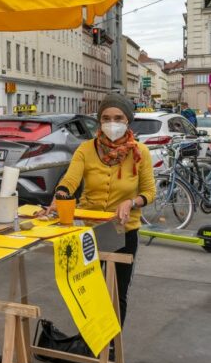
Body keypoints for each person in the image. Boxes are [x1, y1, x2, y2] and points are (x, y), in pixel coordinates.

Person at [46, 93, 155, 329]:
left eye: (118, 117)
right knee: (88, 291)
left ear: (128, 121)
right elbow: (70, 179)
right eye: (106, 118)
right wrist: (60, 196)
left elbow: (149, 192)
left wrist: (132, 202)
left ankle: (112, 350)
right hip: (89, 231)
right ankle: (91, 341)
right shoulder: (86, 150)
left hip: (123, 232)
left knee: (117, 293)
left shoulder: (140, 153)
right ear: (99, 120)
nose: (111, 123)